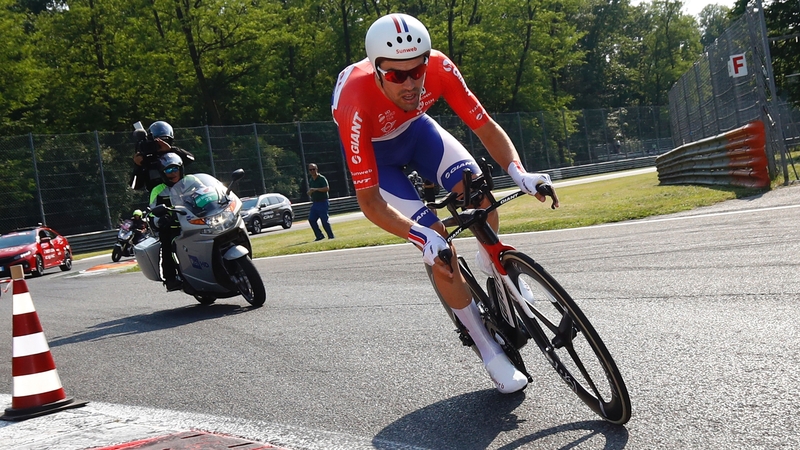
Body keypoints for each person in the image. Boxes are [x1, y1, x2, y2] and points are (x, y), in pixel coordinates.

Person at [331, 13, 559, 394]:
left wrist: (520, 173)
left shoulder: (440, 67)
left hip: (419, 132)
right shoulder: (354, 103)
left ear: (427, 60)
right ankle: (489, 352)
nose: (410, 83)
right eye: (396, 76)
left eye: (416, 70)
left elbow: (483, 125)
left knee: (479, 193)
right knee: (439, 246)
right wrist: (420, 237)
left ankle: (494, 264)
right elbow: (369, 201)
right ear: (375, 70)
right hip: (378, 157)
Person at [149, 153, 190, 292]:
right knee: (166, 246)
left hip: (194, 221)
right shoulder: (158, 190)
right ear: (162, 173)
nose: (172, 173)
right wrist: (160, 219)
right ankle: (170, 279)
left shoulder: (191, 182)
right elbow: (152, 211)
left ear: (181, 169)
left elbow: (208, 193)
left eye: (175, 169)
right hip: (172, 227)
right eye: (168, 170)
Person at [131, 121, 195, 192]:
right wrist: (138, 166)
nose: (160, 144)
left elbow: (190, 158)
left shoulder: (174, 156)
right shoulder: (147, 159)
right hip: (158, 200)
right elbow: (135, 186)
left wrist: (171, 149)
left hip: (180, 197)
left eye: (164, 141)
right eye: (157, 142)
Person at [307, 163, 335, 241]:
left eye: (313, 169)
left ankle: (331, 236)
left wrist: (316, 189)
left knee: (324, 220)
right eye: (310, 170)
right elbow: (311, 189)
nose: (312, 171)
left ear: (317, 169)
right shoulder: (311, 180)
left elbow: (327, 188)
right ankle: (319, 236)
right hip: (315, 203)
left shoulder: (322, 178)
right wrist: (310, 192)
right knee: (311, 219)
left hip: (323, 202)